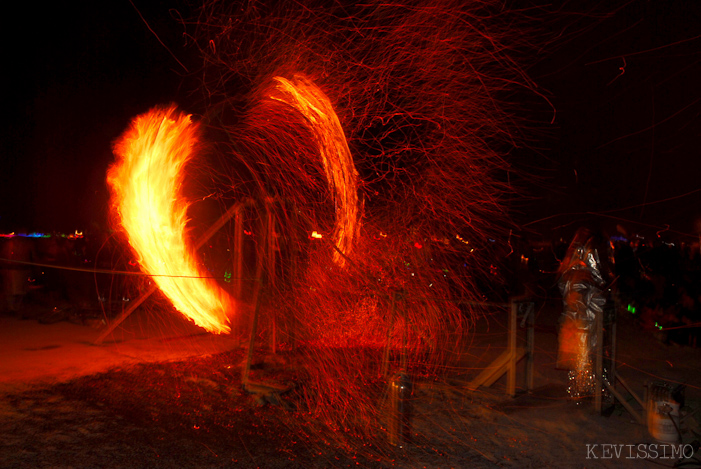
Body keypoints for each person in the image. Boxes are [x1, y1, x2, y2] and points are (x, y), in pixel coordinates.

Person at [556, 227, 612, 399]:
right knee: (585, 354)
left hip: (584, 317)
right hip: (582, 318)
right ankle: (584, 389)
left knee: (588, 354)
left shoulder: (577, 267)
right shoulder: (579, 269)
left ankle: (588, 388)